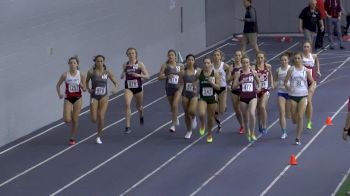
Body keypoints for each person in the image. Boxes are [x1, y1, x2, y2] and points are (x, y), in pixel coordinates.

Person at [86, 55, 119, 144]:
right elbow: (86, 82)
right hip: (94, 96)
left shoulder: (107, 72)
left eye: (101, 61)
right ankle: (93, 111)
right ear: (95, 62)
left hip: (104, 96)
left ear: (104, 62)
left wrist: (115, 89)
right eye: (98, 61)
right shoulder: (91, 72)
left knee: (101, 117)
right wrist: (89, 89)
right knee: (93, 119)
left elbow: (116, 82)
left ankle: (98, 136)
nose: (100, 63)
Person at [284, 52, 315, 145]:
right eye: (295, 58)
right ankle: (296, 123)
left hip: (303, 96)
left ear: (302, 59)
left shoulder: (306, 70)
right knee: (294, 119)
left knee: (300, 116)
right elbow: (285, 82)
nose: (297, 60)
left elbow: (312, 82)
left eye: (299, 58)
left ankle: (298, 138)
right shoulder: (291, 70)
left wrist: (310, 89)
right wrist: (289, 88)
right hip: (293, 96)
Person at [56, 56, 86, 145]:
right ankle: (71, 116)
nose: (72, 64)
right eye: (71, 63)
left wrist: (81, 85)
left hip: (78, 98)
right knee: (67, 119)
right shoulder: (65, 75)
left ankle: (72, 137)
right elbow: (57, 85)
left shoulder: (81, 75)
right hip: (68, 98)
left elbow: (85, 89)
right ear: (68, 64)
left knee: (75, 119)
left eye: (74, 63)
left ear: (77, 64)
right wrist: (60, 94)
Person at [232, 55, 261, 142]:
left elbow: (259, 82)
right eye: (243, 62)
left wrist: (259, 88)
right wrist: (240, 82)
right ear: (241, 63)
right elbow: (233, 87)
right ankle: (247, 131)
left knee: (252, 113)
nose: (245, 64)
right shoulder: (238, 73)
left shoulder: (253, 72)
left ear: (249, 63)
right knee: (245, 117)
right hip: (243, 98)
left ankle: (252, 133)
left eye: (247, 62)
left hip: (252, 96)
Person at [120, 48, 149, 134]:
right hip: (128, 87)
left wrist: (138, 75)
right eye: (129, 53)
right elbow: (122, 77)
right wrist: (124, 70)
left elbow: (147, 76)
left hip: (138, 87)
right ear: (127, 55)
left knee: (139, 106)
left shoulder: (140, 64)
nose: (131, 55)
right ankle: (127, 126)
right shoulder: (125, 64)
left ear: (135, 54)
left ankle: (141, 114)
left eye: (133, 53)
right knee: (127, 104)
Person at [158, 49, 184, 133]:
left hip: (178, 87)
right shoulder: (165, 66)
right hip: (169, 88)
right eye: (169, 55)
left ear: (175, 56)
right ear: (167, 57)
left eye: (172, 55)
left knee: (174, 105)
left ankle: (173, 124)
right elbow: (159, 77)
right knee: (172, 107)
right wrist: (167, 76)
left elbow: (184, 75)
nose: (171, 56)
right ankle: (176, 117)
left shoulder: (180, 66)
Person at [196, 56, 221, 143]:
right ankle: (202, 124)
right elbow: (194, 81)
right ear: (203, 64)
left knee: (210, 118)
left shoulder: (215, 73)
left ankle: (209, 134)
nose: (206, 65)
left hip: (212, 98)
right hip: (202, 97)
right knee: (201, 113)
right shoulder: (199, 73)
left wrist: (212, 83)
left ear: (211, 64)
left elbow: (218, 87)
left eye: (208, 63)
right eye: (205, 63)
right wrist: (195, 88)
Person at [253, 51, 274, 134]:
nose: (260, 59)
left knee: (262, 107)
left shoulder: (268, 66)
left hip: (265, 90)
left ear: (264, 58)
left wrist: (271, 83)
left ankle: (265, 125)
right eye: (258, 57)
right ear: (256, 58)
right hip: (256, 90)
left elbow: (270, 75)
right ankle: (260, 124)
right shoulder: (253, 67)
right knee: (258, 109)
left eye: (262, 57)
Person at [302, 41, 321, 130]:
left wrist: (318, 70)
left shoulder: (313, 56)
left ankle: (309, 121)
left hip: (312, 82)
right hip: (303, 83)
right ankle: (307, 117)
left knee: (308, 101)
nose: (306, 48)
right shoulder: (300, 57)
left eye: (307, 46)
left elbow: (317, 61)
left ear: (310, 48)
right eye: (304, 46)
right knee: (305, 104)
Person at [274, 53, 292, 139]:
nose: (284, 61)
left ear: (288, 60)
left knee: (288, 115)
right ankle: (284, 132)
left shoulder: (291, 69)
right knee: (282, 112)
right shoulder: (278, 70)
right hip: (281, 92)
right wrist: (274, 85)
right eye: (282, 60)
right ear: (280, 61)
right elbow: (275, 80)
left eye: (285, 60)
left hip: (290, 92)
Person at [212, 49, 230, 133]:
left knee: (222, 110)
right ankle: (219, 124)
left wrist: (229, 81)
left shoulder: (224, 66)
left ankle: (223, 106)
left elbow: (229, 75)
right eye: (214, 55)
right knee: (214, 109)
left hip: (222, 89)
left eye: (217, 55)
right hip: (214, 89)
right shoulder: (210, 66)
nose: (216, 57)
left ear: (220, 57)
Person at [181, 54, 198, 139]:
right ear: (186, 61)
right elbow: (180, 82)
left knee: (191, 111)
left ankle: (194, 117)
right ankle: (189, 130)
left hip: (194, 94)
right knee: (186, 113)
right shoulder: (183, 72)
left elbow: (202, 79)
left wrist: (196, 84)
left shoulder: (197, 71)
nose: (190, 61)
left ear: (194, 61)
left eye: (192, 60)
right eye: (189, 60)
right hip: (185, 93)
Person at [228, 50, 244, 134]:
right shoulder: (231, 67)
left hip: (243, 89)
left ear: (241, 56)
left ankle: (246, 123)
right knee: (237, 111)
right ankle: (242, 125)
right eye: (236, 55)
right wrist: (234, 75)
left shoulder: (244, 65)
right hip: (234, 90)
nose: (237, 57)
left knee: (243, 108)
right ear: (234, 57)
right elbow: (228, 79)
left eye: (239, 55)